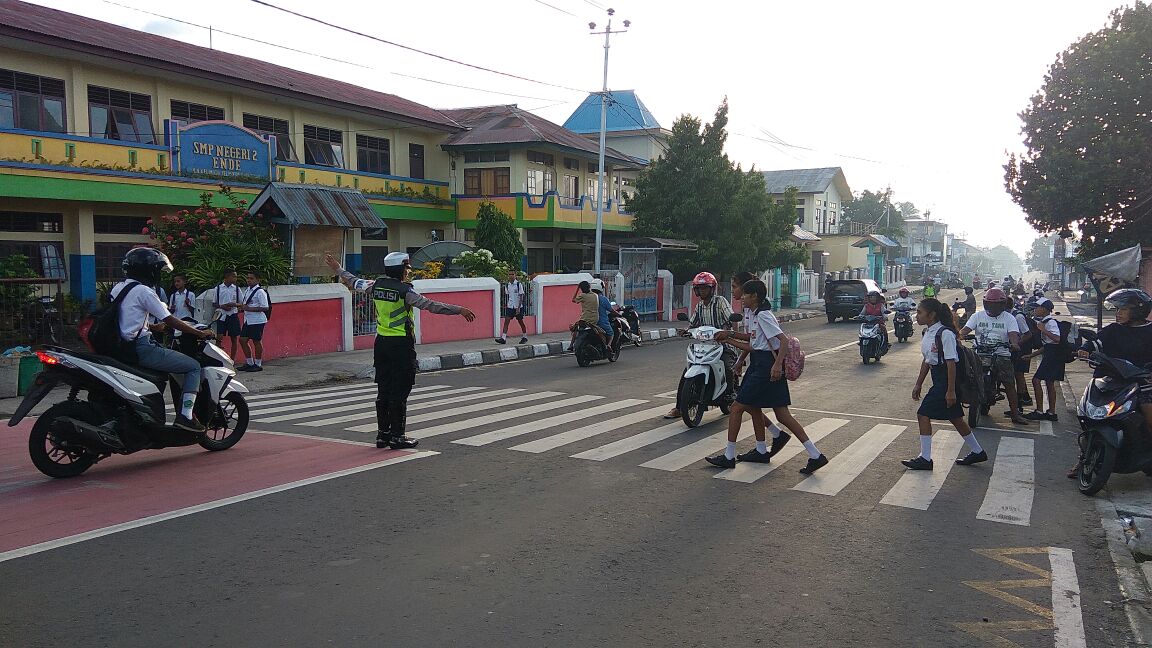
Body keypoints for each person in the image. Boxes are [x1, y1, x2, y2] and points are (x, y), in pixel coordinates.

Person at [325, 252, 475, 449]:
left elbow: (353, 281)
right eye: (406, 269)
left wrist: (337, 268)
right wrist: (459, 310)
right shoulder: (405, 291)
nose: (407, 273)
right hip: (401, 346)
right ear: (401, 270)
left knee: (384, 389)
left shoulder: (375, 286)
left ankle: (382, 435)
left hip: (381, 345)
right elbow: (430, 305)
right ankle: (398, 436)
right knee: (401, 389)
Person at [707, 279, 828, 474]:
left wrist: (777, 365)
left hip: (765, 368)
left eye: (745, 294)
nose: (742, 298)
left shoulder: (763, 315)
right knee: (780, 414)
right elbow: (753, 345)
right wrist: (728, 337)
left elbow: (783, 341)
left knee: (737, 407)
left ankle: (729, 456)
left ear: (754, 296)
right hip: (761, 363)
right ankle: (815, 455)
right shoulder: (755, 314)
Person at [113, 248, 215, 432]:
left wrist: (151, 327)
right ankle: (185, 417)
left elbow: (125, 319)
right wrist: (198, 333)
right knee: (193, 366)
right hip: (141, 348)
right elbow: (169, 319)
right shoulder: (144, 291)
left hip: (120, 347)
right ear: (149, 270)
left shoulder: (118, 288)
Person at [1069, 289, 1152, 476]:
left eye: (1123, 309)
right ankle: (1083, 459)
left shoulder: (1150, 331)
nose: (1118, 313)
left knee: (1149, 417)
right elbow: (1096, 342)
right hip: (1109, 381)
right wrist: (1084, 349)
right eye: (1117, 309)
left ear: (1138, 310)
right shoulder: (1113, 330)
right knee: (1087, 416)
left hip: (1142, 384)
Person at [903, 297, 987, 469]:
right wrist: (918, 383)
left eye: (920, 312)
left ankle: (925, 458)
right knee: (956, 418)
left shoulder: (945, 334)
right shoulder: (928, 332)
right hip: (938, 377)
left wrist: (950, 391)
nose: (916, 316)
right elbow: (928, 360)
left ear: (932, 314)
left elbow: (951, 363)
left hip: (947, 380)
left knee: (923, 414)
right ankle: (978, 452)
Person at [664, 271, 734, 420]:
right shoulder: (700, 306)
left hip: (723, 345)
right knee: (686, 371)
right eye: (699, 288)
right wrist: (686, 331)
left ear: (712, 289)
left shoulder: (720, 302)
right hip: (705, 346)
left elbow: (731, 318)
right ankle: (679, 408)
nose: (702, 291)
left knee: (728, 366)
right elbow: (693, 323)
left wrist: (729, 332)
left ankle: (730, 393)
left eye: (705, 288)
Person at [960, 287, 1031, 425]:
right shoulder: (977, 316)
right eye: (990, 304)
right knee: (965, 374)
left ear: (1002, 305)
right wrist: (959, 336)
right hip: (980, 353)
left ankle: (1015, 414)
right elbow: (964, 330)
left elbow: (1013, 335)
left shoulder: (1009, 318)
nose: (993, 307)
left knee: (1009, 384)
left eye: (996, 304)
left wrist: (1014, 344)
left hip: (1001, 354)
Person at [1025, 298, 1064, 421]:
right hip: (1051, 354)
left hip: (1053, 356)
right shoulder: (1045, 321)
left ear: (1045, 310)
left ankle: (1040, 411)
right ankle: (1051, 413)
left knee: (1036, 380)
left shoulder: (1050, 322)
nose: (1035, 309)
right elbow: (1047, 345)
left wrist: (1043, 330)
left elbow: (1057, 339)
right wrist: (1031, 356)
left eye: (1037, 307)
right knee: (1049, 382)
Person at [236, 270, 270, 372]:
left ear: (257, 280)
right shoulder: (247, 290)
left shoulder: (260, 292)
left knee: (256, 341)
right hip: (248, 319)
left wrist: (248, 308)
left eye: (251, 278)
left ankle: (258, 364)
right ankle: (250, 362)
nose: (249, 280)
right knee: (242, 340)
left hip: (257, 320)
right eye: (248, 278)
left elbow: (265, 307)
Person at [212, 269, 242, 361]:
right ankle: (219, 358)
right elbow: (214, 303)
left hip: (232, 314)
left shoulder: (236, 289)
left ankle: (232, 359)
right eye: (234, 276)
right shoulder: (218, 288)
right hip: (222, 315)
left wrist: (234, 305)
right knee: (219, 337)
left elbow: (241, 303)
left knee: (234, 338)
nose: (235, 278)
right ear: (227, 277)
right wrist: (222, 306)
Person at [167, 273, 199, 355]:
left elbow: (193, 311)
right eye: (175, 282)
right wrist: (172, 309)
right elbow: (170, 312)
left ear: (184, 282)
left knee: (187, 344)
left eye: (178, 281)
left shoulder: (191, 295)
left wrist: (188, 304)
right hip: (176, 322)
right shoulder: (173, 296)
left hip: (187, 323)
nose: (176, 283)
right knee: (175, 344)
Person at [496, 269, 529, 345]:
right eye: (509, 274)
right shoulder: (507, 285)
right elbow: (508, 295)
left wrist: (518, 308)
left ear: (515, 275)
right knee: (506, 321)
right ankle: (503, 338)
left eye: (512, 274)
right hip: (510, 306)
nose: (511, 276)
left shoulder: (518, 284)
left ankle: (525, 336)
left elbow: (521, 295)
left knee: (520, 322)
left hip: (518, 307)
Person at [570, 281, 606, 347]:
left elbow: (573, 300)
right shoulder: (595, 295)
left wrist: (577, 288)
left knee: (576, 328)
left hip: (585, 318)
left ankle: (571, 345)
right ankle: (605, 345)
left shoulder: (583, 295)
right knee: (596, 329)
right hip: (595, 318)